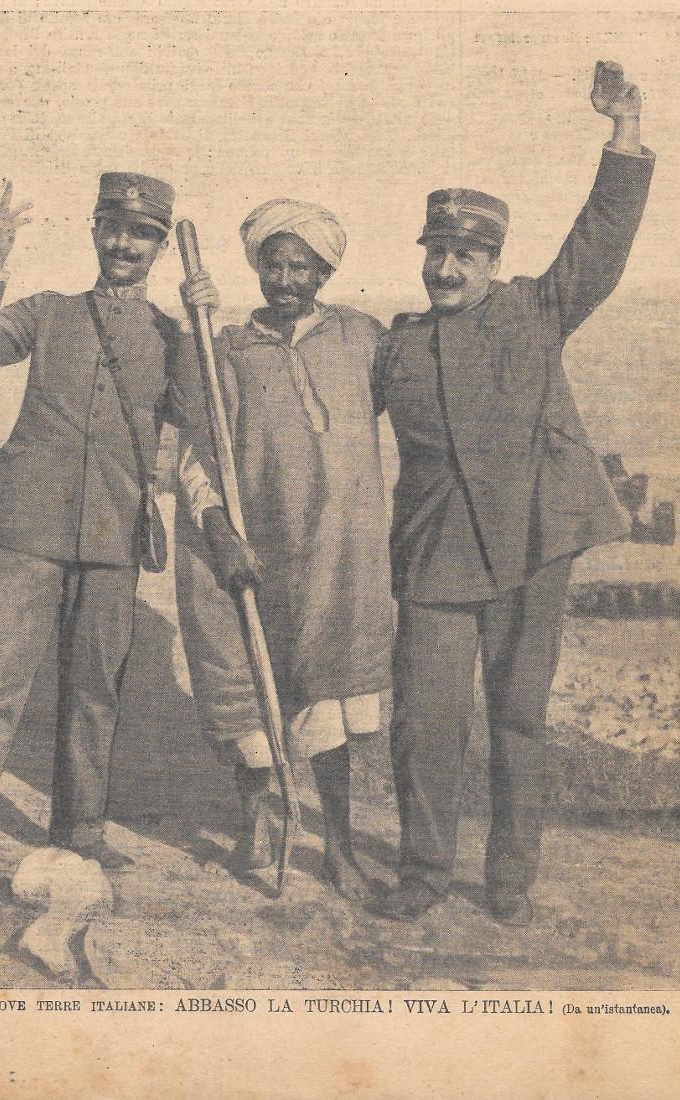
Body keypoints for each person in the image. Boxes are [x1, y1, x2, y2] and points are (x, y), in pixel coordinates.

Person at [371, 61, 655, 923]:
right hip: (435, 552)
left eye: (465, 253)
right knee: (425, 722)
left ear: (494, 261)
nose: (446, 267)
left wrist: (625, 132)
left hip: (534, 542)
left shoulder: (536, 310)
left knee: (517, 721)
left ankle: (508, 880)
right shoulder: (397, 344)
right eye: (437, 252)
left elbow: (599, 240)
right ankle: (422, 873)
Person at [0, 174, 204, 881]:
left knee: (94, 690)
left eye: (142, 235)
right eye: (114, 229)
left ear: (158, 248)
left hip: (114, 537)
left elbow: (201, 417)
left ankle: (80, 831)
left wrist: (203, 330)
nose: (125, 245)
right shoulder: (50, 313)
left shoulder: (171, 335)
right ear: (93, 230)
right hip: (28, 532)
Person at [177, 200, 393, 900]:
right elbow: (195, 450)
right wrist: (220, 530)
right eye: (274, 262)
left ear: (326, 271)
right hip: (258, 550)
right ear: (258, 267)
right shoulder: (228, 350)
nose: (286, 277)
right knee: (248, 685)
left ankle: (337, 849)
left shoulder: (362, 339)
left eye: (302, 265)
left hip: (334, 555)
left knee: (326, 696)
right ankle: (257, 828)